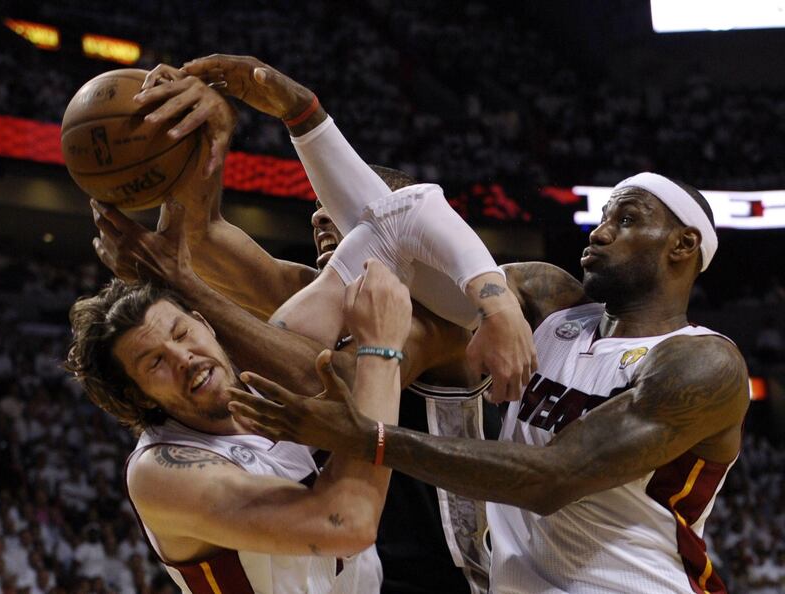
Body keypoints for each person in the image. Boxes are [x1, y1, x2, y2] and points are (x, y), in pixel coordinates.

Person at [236, 173, 750, 593]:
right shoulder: (549, 302)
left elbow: (551, 479)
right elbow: (420, 239)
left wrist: (366, 439)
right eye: (603, 217)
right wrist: (306, 118)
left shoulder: (702, 362)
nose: (600, 232)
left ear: (683, 245)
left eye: (627, 219)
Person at [90, 75, 494, 593]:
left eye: (341, 216)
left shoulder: (438, 325)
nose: (322, 226)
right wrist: (196, 134)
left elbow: (327, 367)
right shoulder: (305, 314)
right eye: (318, 217)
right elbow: (198, 238)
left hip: (453, 572)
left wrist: (497, 305)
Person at [65, 259, 413, 593]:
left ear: (205, 322)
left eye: (182, 333)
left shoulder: (273, 371)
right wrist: (381, 351)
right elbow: (347, 524)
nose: (183, 358)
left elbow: (370, 247)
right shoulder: (159, 473)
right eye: (156, 362)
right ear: (139, 397)